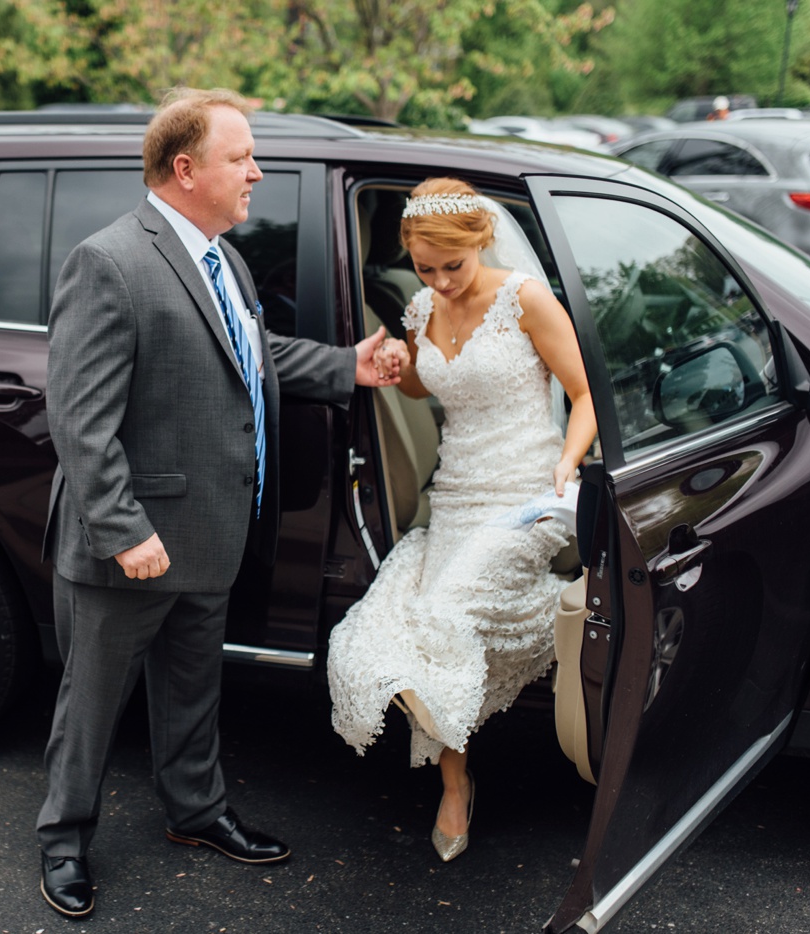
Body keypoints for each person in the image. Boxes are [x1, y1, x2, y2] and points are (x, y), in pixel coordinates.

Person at [37, 87, 407, 918]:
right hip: (134, 544)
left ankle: (196, 813)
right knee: (91, 705)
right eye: (241, 158)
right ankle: (63, 843)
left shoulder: (221, 256)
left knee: (193, 690)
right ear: (184, 168)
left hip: (210, 531)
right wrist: (124, 528)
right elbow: (79, 418)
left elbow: (251, 351)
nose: (257, 172)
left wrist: (347, 367)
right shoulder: (109, 261)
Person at [327, 177, 597, 863]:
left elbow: (584, 392)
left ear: (481, 243)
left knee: (443, 614)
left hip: (526, 498)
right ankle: (455, 781)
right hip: (455, 497)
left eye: (454, 266)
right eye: (425, 268)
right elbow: (424, 382)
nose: (441, 282)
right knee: (392, 636)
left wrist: (567, 465)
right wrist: (397, 363)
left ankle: (546, 625)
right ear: (410, 257)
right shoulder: (420, 309)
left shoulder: (524, 299)